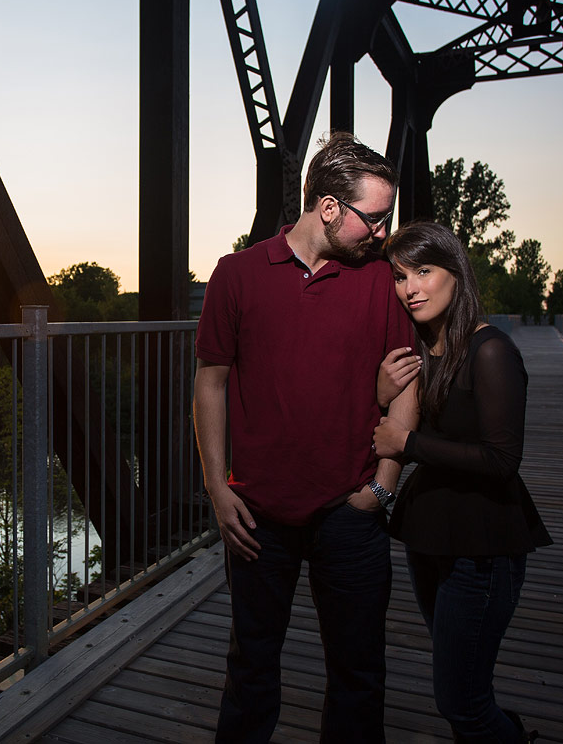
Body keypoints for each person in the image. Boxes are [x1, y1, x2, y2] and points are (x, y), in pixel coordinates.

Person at [194, 132, 414, 743]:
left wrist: (384, 487)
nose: (382, 232)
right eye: (374, 218)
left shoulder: (378, 279)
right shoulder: (236, 275)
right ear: (327, 208)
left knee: (359, 675)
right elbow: (210, 383)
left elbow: (408, 385)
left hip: (351, 509)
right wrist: (216, 484)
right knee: (252, 670)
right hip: (259, 513)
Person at [372, 221, 552, 743]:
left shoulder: (490, 350)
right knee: (466, 686)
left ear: (456, 273)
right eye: (400, 276)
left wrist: (408, 445)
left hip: (482, 550)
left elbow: (501, 459)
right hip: (430, 539)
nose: (410, 289)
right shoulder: (422, 352)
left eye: (424, 272)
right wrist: (383, 394)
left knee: (461, 701)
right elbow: (387, 427)